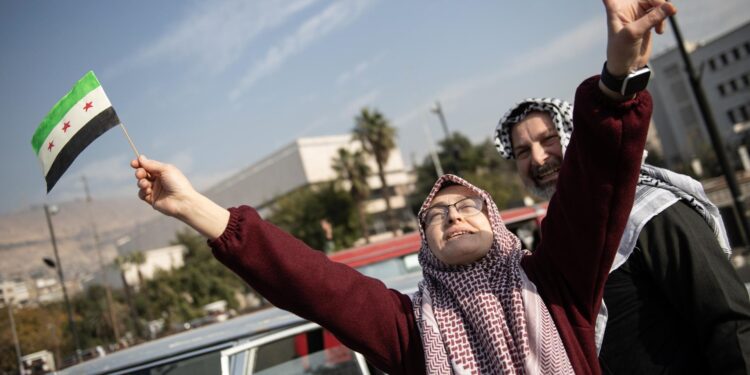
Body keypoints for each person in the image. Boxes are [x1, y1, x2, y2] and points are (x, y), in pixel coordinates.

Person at [131, 1, 675, 373]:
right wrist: (192, 206)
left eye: (466, 206)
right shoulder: (409, 328)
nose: (454, 216)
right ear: (426, 247)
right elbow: (312, 283)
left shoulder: (557, 282)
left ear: (495, 218)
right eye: (437, 216)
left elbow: (594, 187)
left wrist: (619, 78)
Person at [495, 100, 750, 371]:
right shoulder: (559, 244)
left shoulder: (650, 208)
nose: (538, 158)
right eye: (523, 151)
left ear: (576, 137)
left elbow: (729, 321)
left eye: (549, 139)